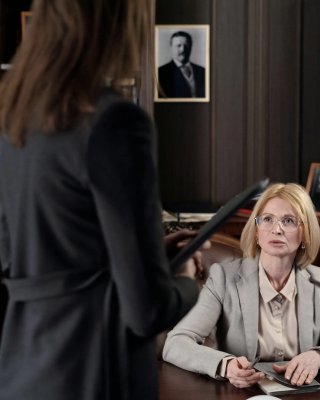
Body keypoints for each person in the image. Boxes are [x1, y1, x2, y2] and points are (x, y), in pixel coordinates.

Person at [0, 1, 209, 399]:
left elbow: (20, 260)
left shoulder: (11, 115)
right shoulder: (115, 121)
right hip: (96, 370)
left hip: (23, 366)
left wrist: (144, 256)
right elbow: (146, 311)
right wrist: (186, 283)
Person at [163, 183, 320, 389]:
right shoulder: (223, 278)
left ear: (304, 234)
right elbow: (176, 342)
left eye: (288, 221)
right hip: (243, 394)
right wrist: (225, 365)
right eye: (267, 219)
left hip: (301, 394)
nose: (277, 229)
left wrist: (318, 357)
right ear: (257, 231)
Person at [158, 31, 206, 98]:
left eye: (186, 45)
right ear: (171, 47)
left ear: (191, 46)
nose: (183, 49)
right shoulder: (161, 73)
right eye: (179, 45)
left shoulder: (203, 71)